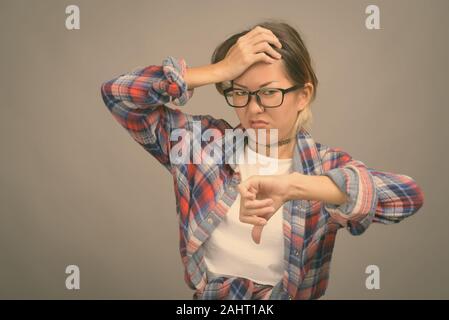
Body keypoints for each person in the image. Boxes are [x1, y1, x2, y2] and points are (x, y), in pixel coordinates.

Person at [100, 21, 424, 300]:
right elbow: (118, 95)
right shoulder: (199, 146)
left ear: (303, 95)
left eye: (269, 93)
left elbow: (407, 197)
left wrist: (298, 186)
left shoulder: (321, 170)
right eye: (239, 91)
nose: (253, 108)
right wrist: (218, 71)